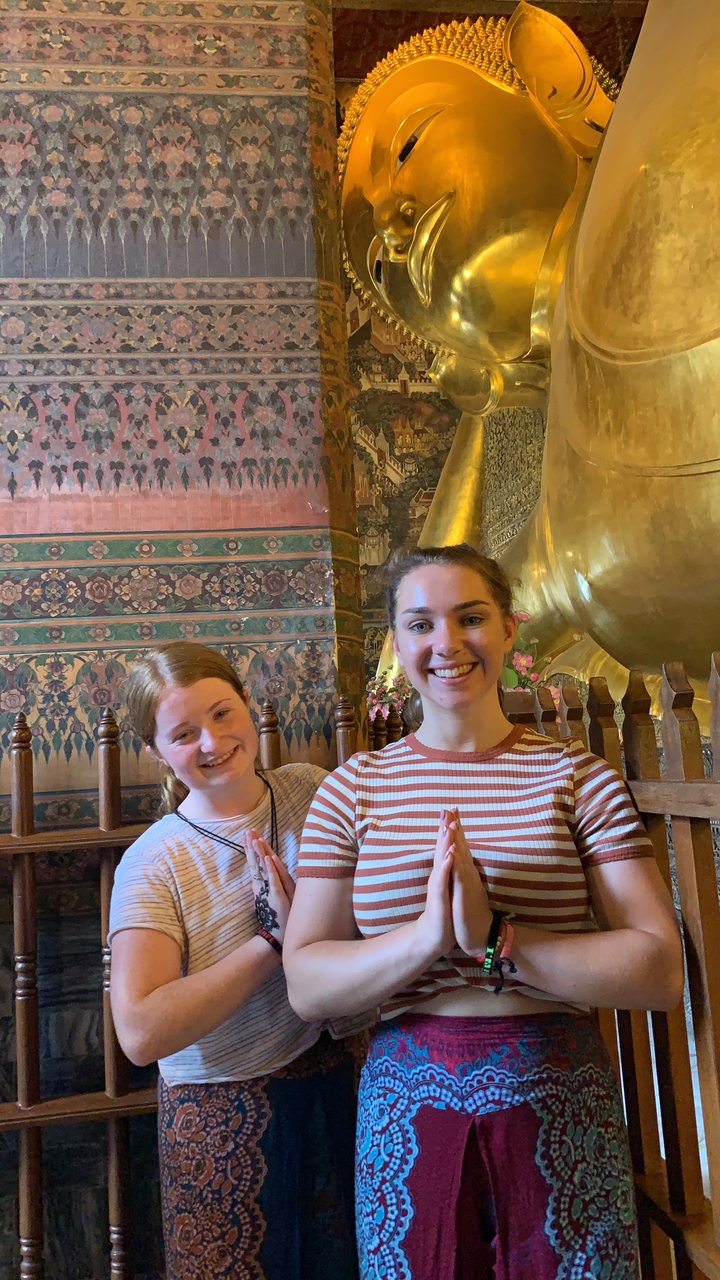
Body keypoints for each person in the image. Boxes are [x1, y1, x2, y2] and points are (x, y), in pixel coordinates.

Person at [283, 544, 684, 1280]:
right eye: (420, 624)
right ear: (398, 643)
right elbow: (308, 985)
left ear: (507, 629)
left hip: (555, 1095)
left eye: (470, 617)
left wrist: (500, 938)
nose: (447, 643)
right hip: (407, 1107)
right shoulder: (352, 790)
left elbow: (658, 970)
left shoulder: (576, 779)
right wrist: (427, 940)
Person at [108, 641, 361, 1280]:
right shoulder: (152, 862)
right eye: (184, 733)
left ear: (248, 705)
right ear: (155, 752)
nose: (213, 741)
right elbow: (140, 1031)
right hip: (223, 1118)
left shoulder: (313, 791)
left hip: (346, 1080)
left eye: (223, 714)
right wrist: (272, 944)